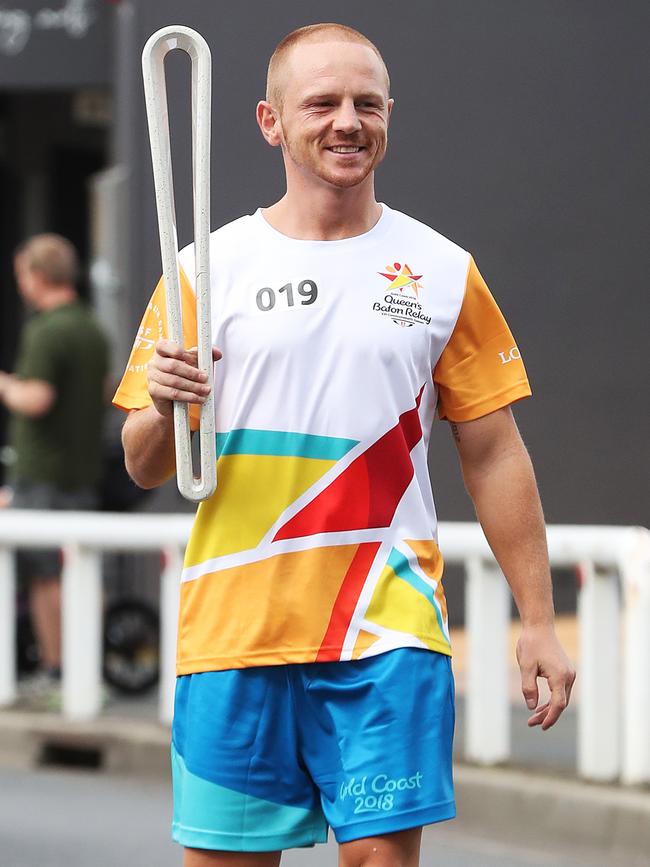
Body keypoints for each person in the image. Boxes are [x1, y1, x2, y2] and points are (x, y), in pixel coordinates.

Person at [114, 23, 576, 867]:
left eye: (367, 103)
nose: (347, 122)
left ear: (390, 114)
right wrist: (160, 403)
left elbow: (496, 450)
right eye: (321, 103)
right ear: (269, 120)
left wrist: (538, 618)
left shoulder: (440, 269)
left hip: (385, 627)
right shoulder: (204, 269)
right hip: (235, 629)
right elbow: (143, 459)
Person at [0, 233, 110, 708]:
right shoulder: (92, 328)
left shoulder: (45, 331)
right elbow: (106, 391)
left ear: (39, 277)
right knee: (82, 569)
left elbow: (37, 398)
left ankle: (57, 671)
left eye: (23, 275)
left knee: (46, 577)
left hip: (43, 475)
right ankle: (90, 667)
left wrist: (6, 385)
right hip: (82, 474)